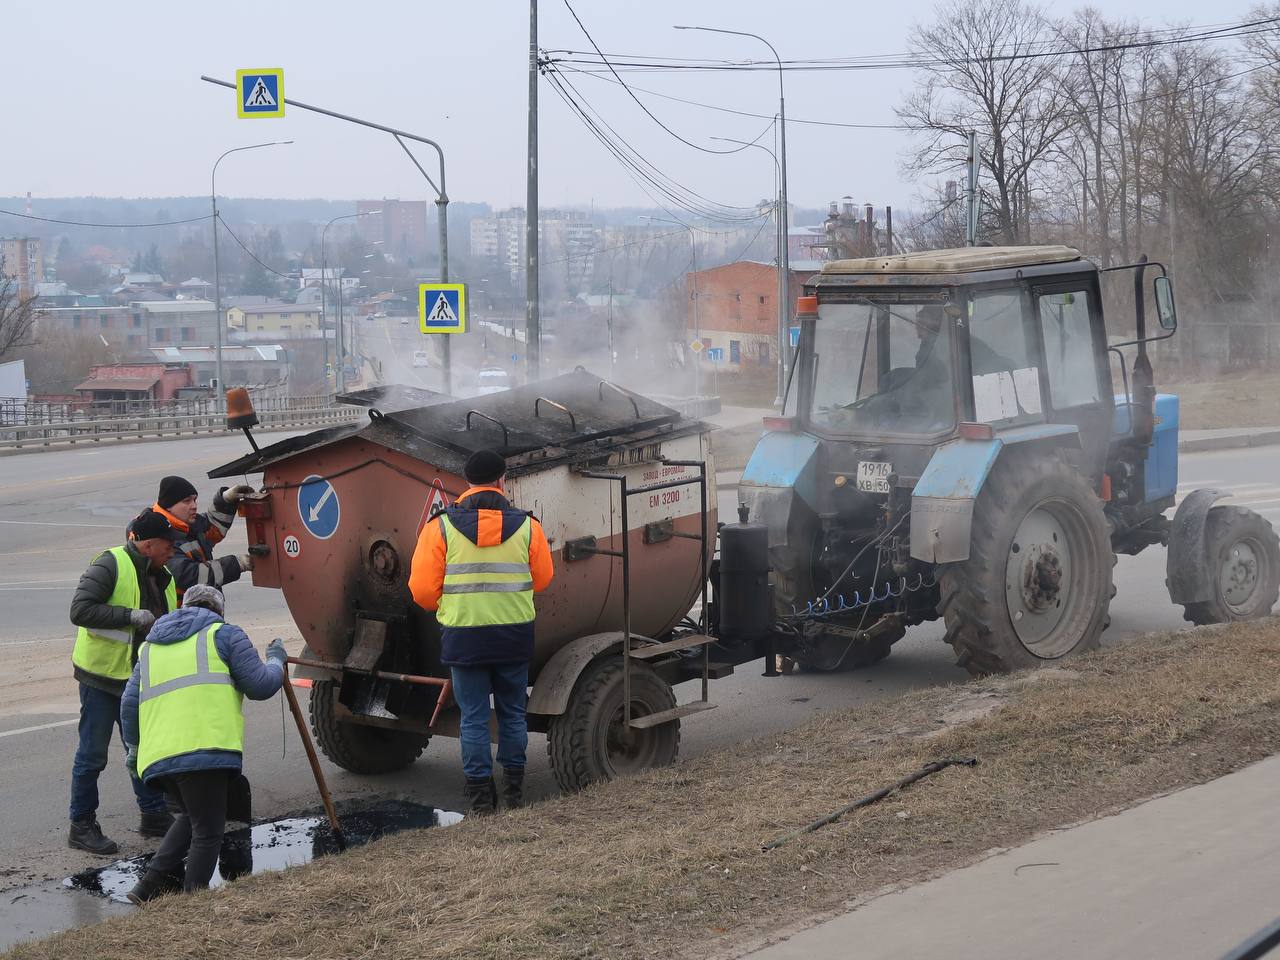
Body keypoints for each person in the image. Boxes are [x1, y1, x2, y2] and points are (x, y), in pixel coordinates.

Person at [408, 449, 554, 815]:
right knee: (512, 714)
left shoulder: (439, 527)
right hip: (513, 637)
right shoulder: (528, 526)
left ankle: (480, 799)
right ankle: (515, 792)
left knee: (473, 717)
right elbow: (544, 579)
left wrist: (447, 607)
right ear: (502, 480)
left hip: (465, 638)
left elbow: (422, 592)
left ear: (467, 482)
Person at [120, 585, 287, 903]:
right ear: (218, 611)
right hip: (205, 751)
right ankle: (192, 904)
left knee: (190, 818)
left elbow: (129, 704)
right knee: (208, 831)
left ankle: (146, 888)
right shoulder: (223, 635)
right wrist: (276, 662)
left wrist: (134, 749)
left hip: (160, 757)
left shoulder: (150, 648)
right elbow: (260, 685)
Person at [67, 508, 181, 854]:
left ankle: (153, 814)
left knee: (143, 749)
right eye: (167, 545)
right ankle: (81, 826)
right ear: (147, 545)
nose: (172, 551)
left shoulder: (165, 576)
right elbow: (80, 610)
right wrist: (130, 616)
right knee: (92, 755)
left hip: (137, 678)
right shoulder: (111, 564)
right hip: (102, 678)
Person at [134, 476, 256, 600]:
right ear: (169, 506)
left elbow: (212, 526)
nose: (194, 506)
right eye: (187, 501)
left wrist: (225, 501)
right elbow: (189, 576)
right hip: (181, 615)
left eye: (194, 500)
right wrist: (237, 564)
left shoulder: (186, 524)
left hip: (199, 613)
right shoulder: (159, 536)